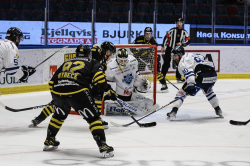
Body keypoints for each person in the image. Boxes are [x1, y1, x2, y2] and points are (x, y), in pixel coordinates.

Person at [43, 44, 117, 158]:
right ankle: (103, 145)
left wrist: (57, 98)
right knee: (93, 118)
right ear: (89, 53)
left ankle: (49, 140)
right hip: (77, 90)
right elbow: (100, 79)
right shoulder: (92, 61)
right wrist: (108, 90)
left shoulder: (67, 62)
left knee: (58, 115)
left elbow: (51, 83)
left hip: (58, 91)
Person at [29, 41, 116, 129]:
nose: (112, 55)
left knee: (95, 94)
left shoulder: (103, 62)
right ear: (107, 52)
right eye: (111, 52)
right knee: (61, 102)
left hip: (78, 81)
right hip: (77, 81)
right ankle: (39, 118)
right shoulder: (97, 52)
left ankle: (97, 118)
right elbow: (93, 52)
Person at [166, 46, 223, 120]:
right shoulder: (190, 55)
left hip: (201, 76)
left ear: (181, 54)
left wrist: (190, 85)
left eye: (176, 56)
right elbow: (202, 58)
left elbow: (190, 73)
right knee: (208, 91)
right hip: (213, 75)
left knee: (181, 93)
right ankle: (218, 110)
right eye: (174, 56)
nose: (174, 58)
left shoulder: (182, 62)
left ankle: (173, 111)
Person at [104, 48, 153, 115]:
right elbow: (108, 83)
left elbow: (136, 74)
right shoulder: (110, 66)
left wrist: (140, 83)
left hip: (131, 93)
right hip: (118, 96)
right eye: (121, 60)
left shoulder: (133, 61)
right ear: (117, 58)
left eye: (125, 60)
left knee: (149, 102)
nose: (123, 62)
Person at [131, 27, 168, 92]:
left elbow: (152, 52)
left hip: (151, 59)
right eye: (146, 33)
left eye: (149, 34)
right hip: (140, 59)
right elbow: (131, 46)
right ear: (144, 33)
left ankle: (164, 85)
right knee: (136, 70)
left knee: (155, 71)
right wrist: (136, 53)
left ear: (151, 34)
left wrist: (147, 59)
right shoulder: (139, 39)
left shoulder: (153, 41)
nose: (147, 35)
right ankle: (134, 85)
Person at [161, 18, 190, 84]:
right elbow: (166, 37)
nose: (179, 24)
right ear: (176, 23)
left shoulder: (184, 32)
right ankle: (162, 78)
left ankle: (178, 77)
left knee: (180, 64)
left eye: (180, 22)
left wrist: (182, 44)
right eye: (178, 22)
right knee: (166, 63)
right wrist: (163, 46)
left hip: (179, 50)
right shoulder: (172, 30)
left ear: (182, 23)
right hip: (170, 48)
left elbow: (188, 40)